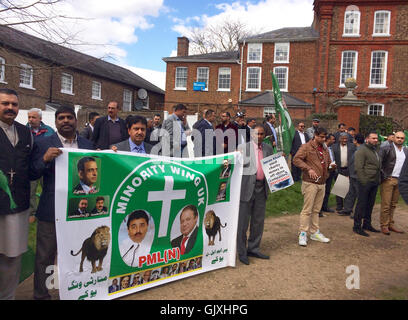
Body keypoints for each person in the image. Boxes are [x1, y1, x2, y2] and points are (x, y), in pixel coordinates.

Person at [30, 104, 94, 300]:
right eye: (61, 118)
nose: (65, 121)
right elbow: (32, 172)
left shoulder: (87, 144)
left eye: (69, 117)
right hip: (51, 209)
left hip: (80, 210)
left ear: (75, 120)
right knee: (45, 256)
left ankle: (76, 291)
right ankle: (41, 295)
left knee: (77, 255)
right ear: (55, 122)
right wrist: (45, 159)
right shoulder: (42, 143)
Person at [0, 88, 33, 300]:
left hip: (17, 204)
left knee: (13, 256)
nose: (10, 108)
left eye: (14, 104)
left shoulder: (25, 132)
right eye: (5, 103)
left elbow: (31, 168)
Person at [237, 124, 274, 265]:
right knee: (243, 223)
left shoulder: (268, 148)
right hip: (246, 189)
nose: (259, 136)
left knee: (258, 221)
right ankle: (241, 251)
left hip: (261, 188)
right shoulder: (242, 148)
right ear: (251, 134)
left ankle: (254, 248)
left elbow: (271, 166)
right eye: (256, 134)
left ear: (264, 135)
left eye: (261, 134)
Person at [293, 127, 333, 247]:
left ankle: (315, 232)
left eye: (324, 137)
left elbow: (328, 162)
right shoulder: (306, 147)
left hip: (322, 182)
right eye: (321, 136)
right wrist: (308, 168)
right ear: (315, 135)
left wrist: (331, 167)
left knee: (316, 210)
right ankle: (303, 233)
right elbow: (296, 159)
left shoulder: (325, 148)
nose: (323, 139)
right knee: (307, 210)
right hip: (310, 183)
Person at [27, 108, 55, 222]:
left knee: (48, 189)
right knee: (31, 190)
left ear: (40, 119)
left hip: (47, 165)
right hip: (32, 165)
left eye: (33, 117)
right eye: (29, 117)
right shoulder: (24, 130)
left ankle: (49, 211)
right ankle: (32, 213)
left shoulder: (49, 131)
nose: (31, 120)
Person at [353, 131, 382, 237]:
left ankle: (367, 224)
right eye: (373, 138)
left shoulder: (375, 150)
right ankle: (357, 226)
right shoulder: (362, 150)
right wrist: (364, 181)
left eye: (376, 138)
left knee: (370, 204)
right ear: (367, 139)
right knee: (361, 204)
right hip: (365, 182)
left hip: (374, 181)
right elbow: (358, 168)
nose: (375, 140)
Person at [378, 131, 407, 235]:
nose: (399, 139)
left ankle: (390, 223)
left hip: (400, 180)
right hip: (388, 179)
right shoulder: (386, 148)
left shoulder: (405, 150)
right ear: (394, 138)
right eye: (398, 137)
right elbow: (379, 163)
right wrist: (385, 177)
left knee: (393, 204)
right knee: (386, 204)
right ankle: (384, 225)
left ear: (404, 139)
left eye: (402, 138)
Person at [338, 133, 365, 218]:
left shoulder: (361, 150)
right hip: (351, 174)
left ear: (355, 140)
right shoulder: (357, 149)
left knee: (359, 196)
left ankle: (359, 213)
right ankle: (347, 209)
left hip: (358, 176)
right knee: (350, 193)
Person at [332, 132, 356, 214]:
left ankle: (347, 207)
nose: (345, 140)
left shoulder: (352, 146)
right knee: (339, 188)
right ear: (339, 139)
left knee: (348, 189)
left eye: (346, 138)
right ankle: (339, 206)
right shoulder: (334, 147)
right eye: (343, 138)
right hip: (338, 169)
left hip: (348, 169)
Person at [320, 133, 337, 215]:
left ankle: (325, 206)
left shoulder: (331, 148)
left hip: (331, 171)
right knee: (321, 191)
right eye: (332, 139)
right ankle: (318, 209)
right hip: (324, 172)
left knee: (327, 191)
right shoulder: (322, 148)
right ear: (328, 139)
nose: (334, 141)